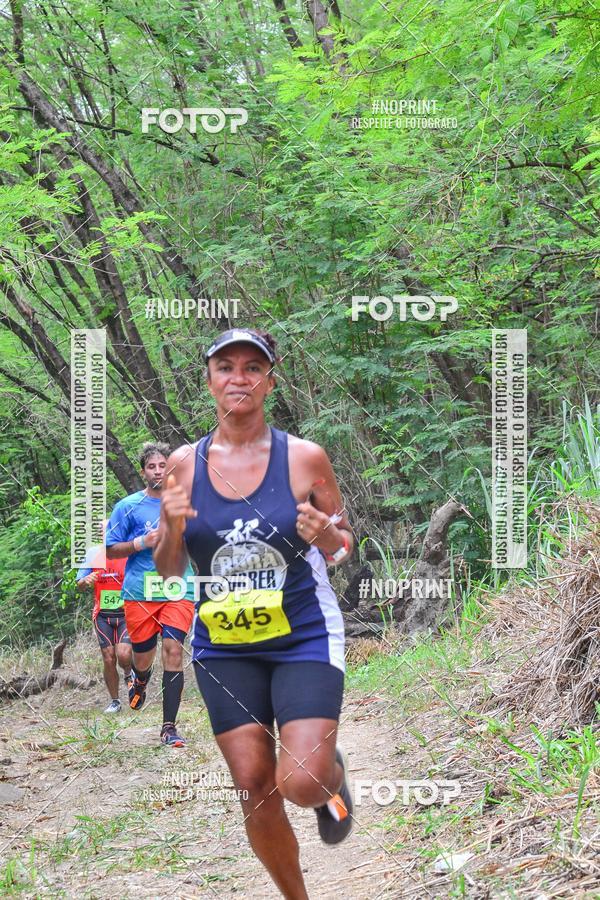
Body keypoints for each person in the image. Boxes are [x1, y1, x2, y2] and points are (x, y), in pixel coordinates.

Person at [155, 328, 354, 899]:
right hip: (223, 646)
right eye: (226, 367)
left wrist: (323, 536)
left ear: (271, 378)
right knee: (253, 784)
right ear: (210, 380)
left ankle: (332, 775)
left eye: (251, 367)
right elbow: (170, 573)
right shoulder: (183, 465)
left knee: (304, 783)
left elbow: (343, 547)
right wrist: (170, 524)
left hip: (303, 636)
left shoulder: (304, 457)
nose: (238, 378)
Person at [105, 442, 196, 747]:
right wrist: (141, 542)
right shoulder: (127, 506)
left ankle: (169, 728)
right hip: (139, 590)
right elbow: (108, 548)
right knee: (142, 657)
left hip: (177, 586)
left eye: (163, 465)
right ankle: (140, 679)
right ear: (143, 470)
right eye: (152, 466)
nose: (158, 471)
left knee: (173, 649)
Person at [75, 523, 132, 714]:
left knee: (124, 655)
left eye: (111, 530)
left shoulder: (128, 551)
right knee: (108, 658)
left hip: (127, 613)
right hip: (102, 614)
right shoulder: (93, 553)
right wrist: (86, 580)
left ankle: (129, 673)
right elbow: (80, 583)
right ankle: (115, 701)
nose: (107, 533)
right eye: (103, 531)